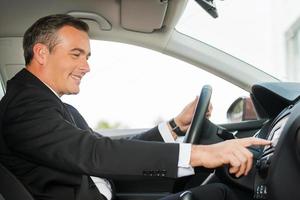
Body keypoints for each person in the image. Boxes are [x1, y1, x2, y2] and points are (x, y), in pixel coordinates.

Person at [0, 14, 270, 200]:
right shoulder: (24, 106)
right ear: (41, 53)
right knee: (221, 195)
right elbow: (95, 153)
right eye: (76, 54)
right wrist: (200, 155)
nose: (86, 66)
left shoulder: (50, 105)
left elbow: (100, 146)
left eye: (87, 56)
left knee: (217, 194)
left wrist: (176, 126)